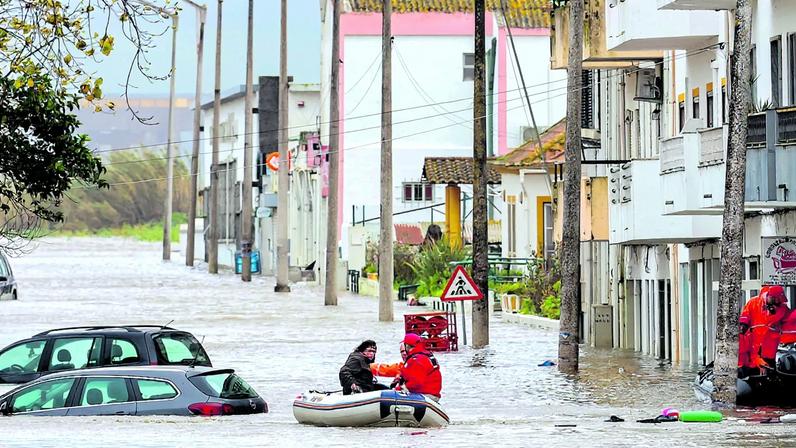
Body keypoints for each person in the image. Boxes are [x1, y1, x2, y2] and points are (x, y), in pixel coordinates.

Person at [741, 285, 789, 372]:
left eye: (779, 300)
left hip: (770, 350)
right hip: (752, 346)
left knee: (769, 375)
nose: (778, 302)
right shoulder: (753, 302)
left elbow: (789, 322)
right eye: (776, 300)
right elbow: (745, 315)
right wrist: (743, 325)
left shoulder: (783, 309)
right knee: (751, 373)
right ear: (769, 297)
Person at [395, 333, 442, 399]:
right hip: (431, 394)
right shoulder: (424, 356)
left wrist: (398, 388)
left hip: (426, 395)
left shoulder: (416, 360)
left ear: (407, 346)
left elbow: (415, 383)